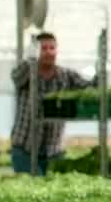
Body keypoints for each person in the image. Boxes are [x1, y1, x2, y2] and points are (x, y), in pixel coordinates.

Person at [10, 31, 96, 176]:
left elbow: (90, 88)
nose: (49, 52)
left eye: (52, 48)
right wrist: (31, 58)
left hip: (54, 151)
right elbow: (17, 77)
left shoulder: (66, 75)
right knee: (31, 192)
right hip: (25, 150)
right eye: (44, 49)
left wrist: (100, 72)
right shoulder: (27, 73)